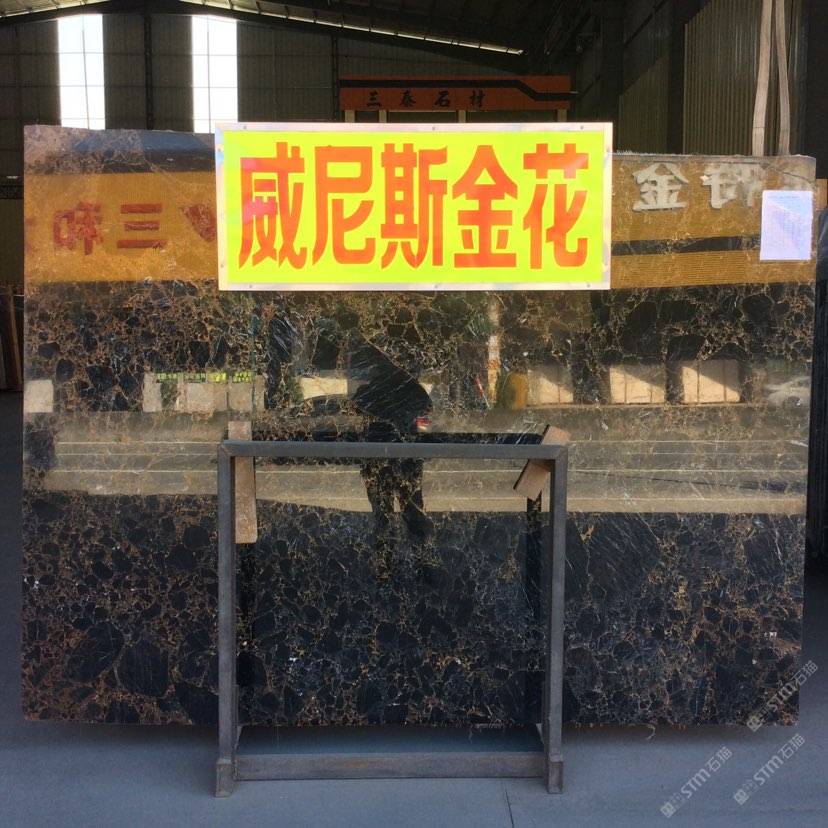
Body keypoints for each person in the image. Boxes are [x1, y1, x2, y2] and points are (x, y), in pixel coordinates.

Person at [348, 336, 433, 564]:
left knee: (384, 517)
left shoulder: (370, 391)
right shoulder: (417, 393)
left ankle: (386, 566)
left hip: (379, 462)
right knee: (412, 513)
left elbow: (356, 410)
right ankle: (421, 563)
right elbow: (424, 429)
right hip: (406, 462)